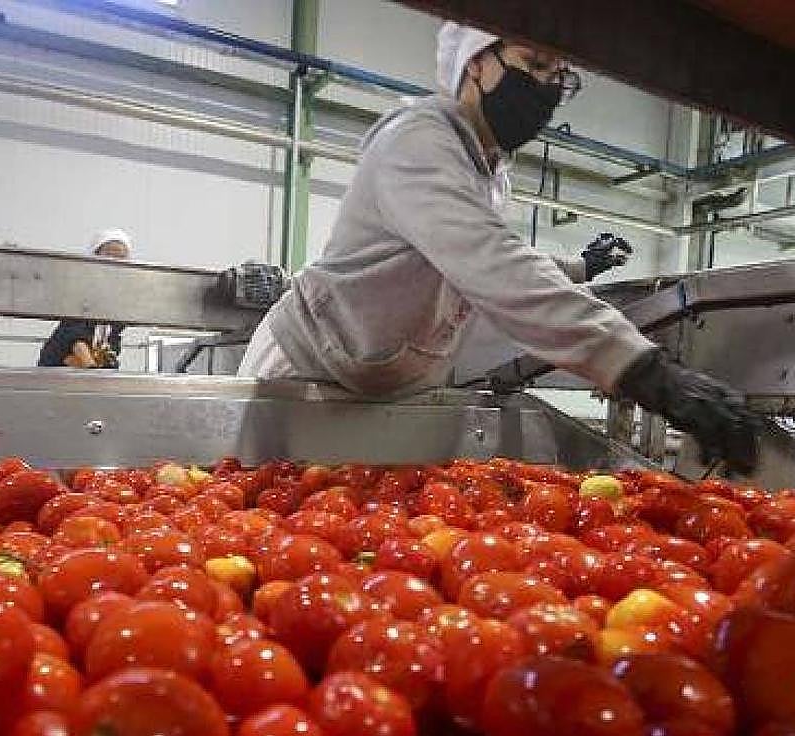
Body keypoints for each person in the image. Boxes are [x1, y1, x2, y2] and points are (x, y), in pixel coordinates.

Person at [238, 22, 760, 473]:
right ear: (476, 65)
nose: (547, 88)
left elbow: (487, 256)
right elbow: (491, 264)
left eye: (560, 76)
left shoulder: (489, 168)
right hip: (307, 375)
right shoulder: (417, 141)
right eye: (533, 64)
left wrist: (580, 266)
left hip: (385, 384)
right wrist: (644, 370)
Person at [38, 229, 130, 369]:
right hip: (61, 366)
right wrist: (92, 371)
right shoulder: (81, 291)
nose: (115, 263)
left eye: (121, 258)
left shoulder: (119, 300)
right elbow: (76, 340)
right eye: (109, 256)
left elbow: (112, 340)